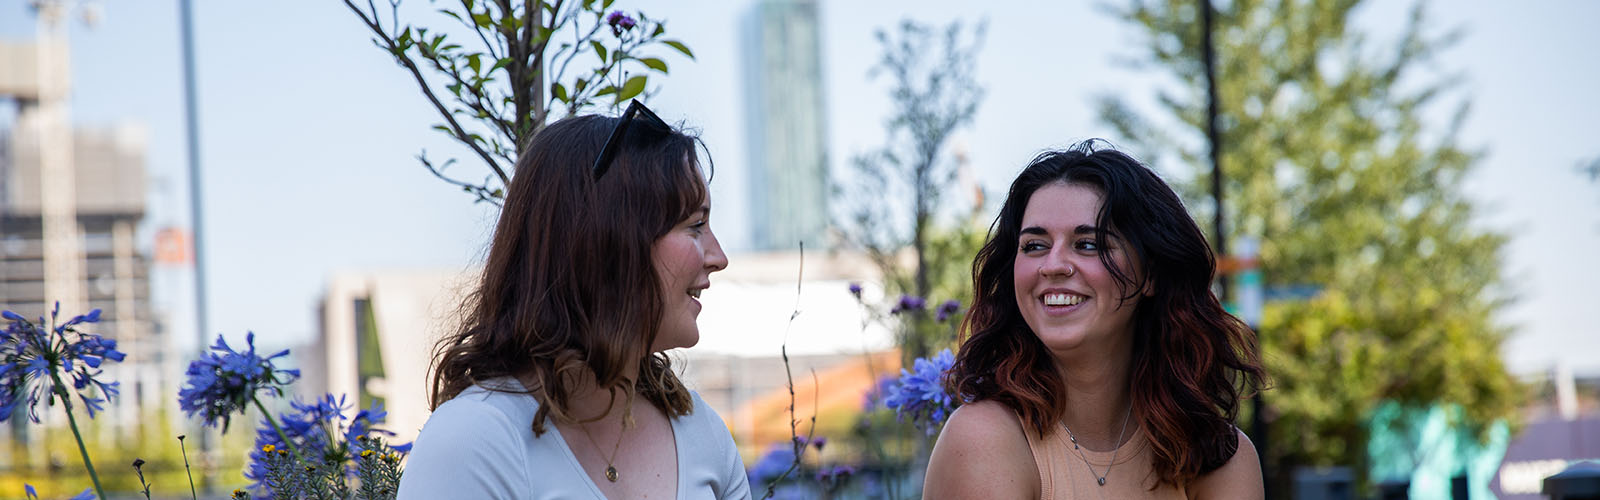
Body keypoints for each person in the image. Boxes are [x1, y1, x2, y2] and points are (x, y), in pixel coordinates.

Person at [397, 101, 749, 500]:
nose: (718, 257)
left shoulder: (701, 433)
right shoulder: (474, 442)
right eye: (695, 226)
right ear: (609, 243)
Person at [925, 141, 1266, 499]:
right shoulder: (984, 437)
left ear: (1150, 274)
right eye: (1034, 245)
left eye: (1088, 244)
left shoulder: (1221, 456)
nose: (1053, 264)